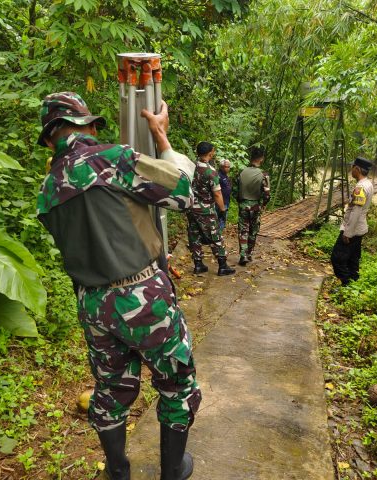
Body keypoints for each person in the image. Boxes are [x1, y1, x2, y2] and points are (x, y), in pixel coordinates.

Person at [35, 92, 201, 480]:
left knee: (111, 389)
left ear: (50, 139)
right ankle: (172, 471)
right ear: (89, 126)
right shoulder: (111, 159)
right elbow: (183, 193)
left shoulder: (47, 190)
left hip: (92, 304)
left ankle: (117, 471)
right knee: (176, 383)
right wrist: (161, 139)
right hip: (143, 295)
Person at [186, 142, 235, 276]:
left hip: (191, 207)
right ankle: (222, 265)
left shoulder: (190, 167)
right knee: (215, 235)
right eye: (213, 151)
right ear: (210, 153)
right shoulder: (211, 171)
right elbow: (217, 193)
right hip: (205, 209)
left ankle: (198, 264)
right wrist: (222, 209)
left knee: (194, 235)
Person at [330, 156, 375, 286]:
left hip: (353, 229)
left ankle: (346, 284)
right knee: (352, 258)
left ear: (357, 169)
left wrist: (347, 233)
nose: (351, 170)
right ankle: (353, 284)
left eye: (352, 167)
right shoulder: (368, 184)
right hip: (360, 228)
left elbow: (356, 211)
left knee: (337, 258)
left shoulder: (360, 187)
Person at [236, 147, 270, 266]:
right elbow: (267, 194)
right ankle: (249, 253)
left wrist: (240, 202)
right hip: (256, 206)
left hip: (243, 205)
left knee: (243, 230)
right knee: (253, 230)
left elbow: (236, 189)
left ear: (251, 158)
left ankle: (243, 255)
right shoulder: (263, 174)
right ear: (261, 158)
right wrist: (264, 204)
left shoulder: (241, 172)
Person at [215, 159, 232, 232]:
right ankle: (216, 235)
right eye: (226, 167)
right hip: (219, 202)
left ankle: (218, 234)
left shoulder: (226, 176)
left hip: (226, 201)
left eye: (228, 167)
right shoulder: (218, 176)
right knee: (218, 219)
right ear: (221, 167)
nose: (227, 168)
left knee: (223, 220)